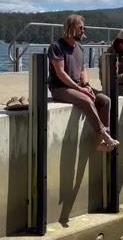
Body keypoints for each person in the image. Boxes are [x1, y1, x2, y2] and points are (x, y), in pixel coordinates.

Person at [48, 14, 119, 152]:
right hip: (60, 88)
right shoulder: (56, 46)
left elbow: (82, 69)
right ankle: (104, 135)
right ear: (71, 27)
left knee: (105, 100)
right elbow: (60, 73)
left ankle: (102, 142)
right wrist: (80, 90)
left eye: (84, 28)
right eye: (81, 28)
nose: (83, 31)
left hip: (78, 86)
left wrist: (86, 85)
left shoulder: (79, 47)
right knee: (86, 100)